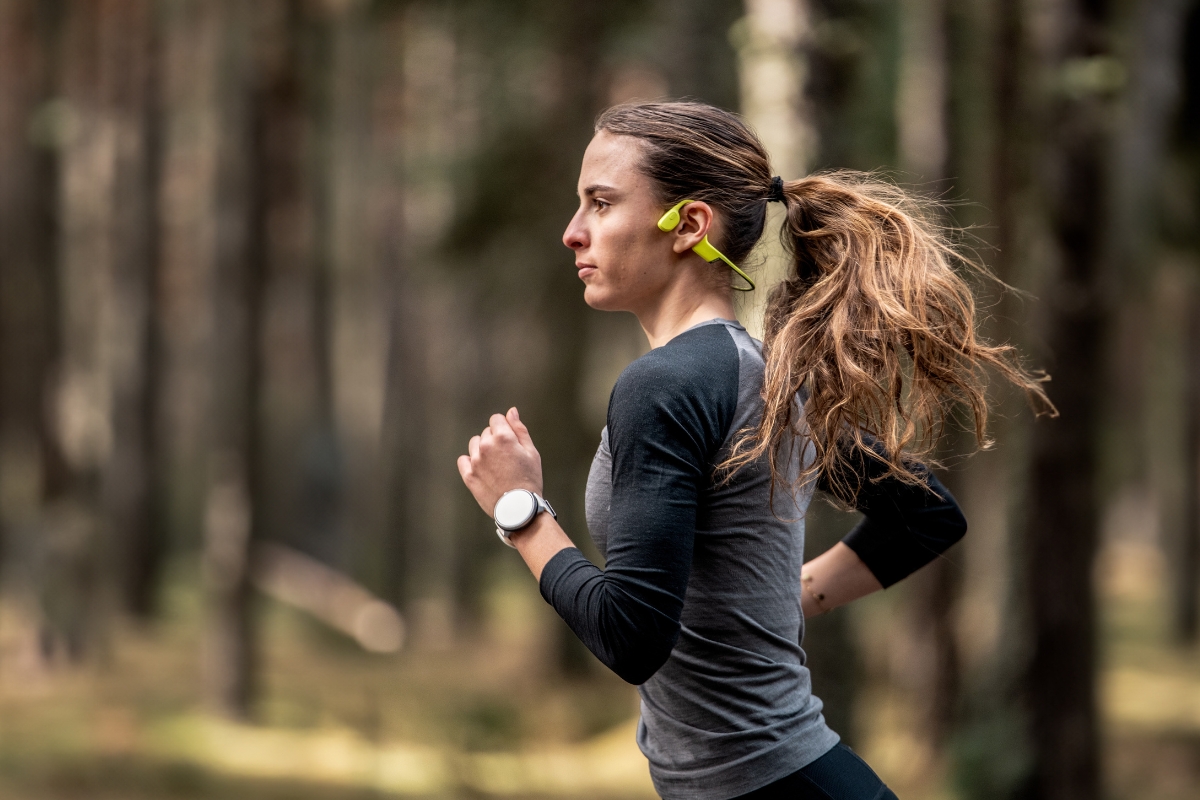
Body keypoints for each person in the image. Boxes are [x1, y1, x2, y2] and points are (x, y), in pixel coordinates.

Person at [456, 101, 1049, 800]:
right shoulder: (755, 374)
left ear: (690, 227)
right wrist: (773, 604)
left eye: (601, 203)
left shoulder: (666, 386)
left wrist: (522, 513)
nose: (572, 233)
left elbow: (631, 637)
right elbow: (922, 516)